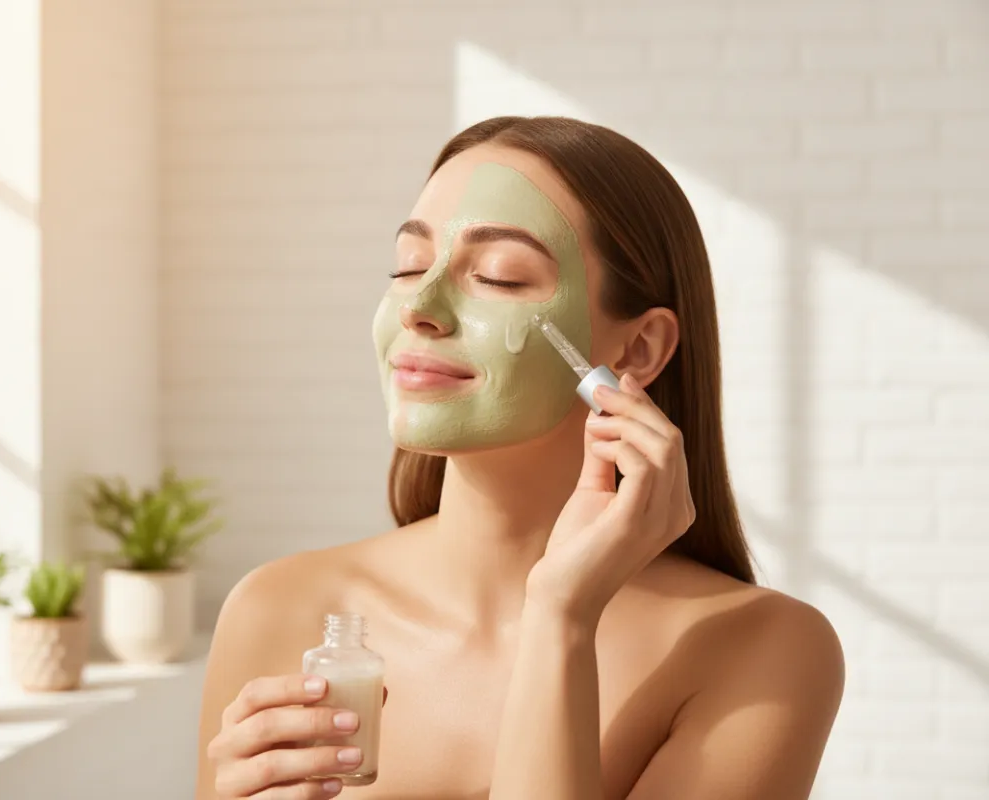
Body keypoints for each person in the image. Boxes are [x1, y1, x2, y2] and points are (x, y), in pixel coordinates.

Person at [195, 116, 844, 800]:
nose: (420, 307)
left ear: (638, 348)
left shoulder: (760, 650)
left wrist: (562, 616)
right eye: (408, 266)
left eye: (499, 277)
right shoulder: (281, 608)